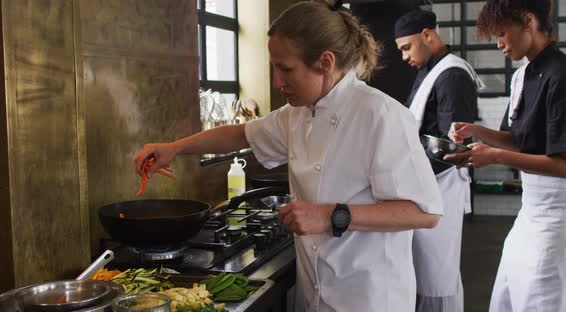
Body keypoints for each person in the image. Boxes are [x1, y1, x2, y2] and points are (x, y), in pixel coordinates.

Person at [136, 1, 443, 311]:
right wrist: (175, 148)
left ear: (325, 62)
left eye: (285, 69)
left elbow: (423, 213)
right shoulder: (297, 114)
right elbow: (241, 134)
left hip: (370, 297)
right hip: (316, 293)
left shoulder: (381, 115)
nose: (276, 82)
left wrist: (328, 215)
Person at [445, 1, 566, 311]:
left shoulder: (560, 76)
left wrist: (496, 157)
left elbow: (563, 165)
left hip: (558, 214)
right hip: (529, 211)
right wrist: (478, 131)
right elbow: (519, 141)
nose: (498, 44)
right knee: (508, 293)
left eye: (501, 33)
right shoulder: (522, 75)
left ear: (528, 22)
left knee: (540, 294)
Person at [394, 9, 484, 312]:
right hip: (425, 182)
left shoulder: (453, 74)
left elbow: (453, 147)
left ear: (428, 35)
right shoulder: (428, 70)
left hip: (441, 184)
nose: (404, 57)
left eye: (407, 47)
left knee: (437, 273)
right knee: (424, 270)